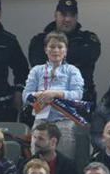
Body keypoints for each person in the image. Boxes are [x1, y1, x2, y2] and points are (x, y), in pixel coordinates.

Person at [22, 31, 84, 159]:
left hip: (64, 121)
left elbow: (77, 95)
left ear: (66, 51)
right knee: (38, 160)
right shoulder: (36, 70)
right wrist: (40, 95)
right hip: (41, 120)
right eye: (52, 47)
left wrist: (55, 94)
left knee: (64, 159)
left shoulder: (72, 70)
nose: (56, 50)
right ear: (46, 49)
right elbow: (25, 96)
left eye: (60, 47)